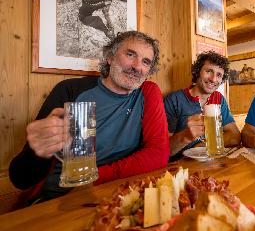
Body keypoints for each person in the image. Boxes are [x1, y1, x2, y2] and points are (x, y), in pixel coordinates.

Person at [9, 31, 170, 203]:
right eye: (130, 54)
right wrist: (37, 151)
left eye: (146, 62)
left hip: (116, 190)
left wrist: (95, 179)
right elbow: (20, 178)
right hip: (61, 197)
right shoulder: (71, 91)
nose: (137, 66)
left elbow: (158, 152)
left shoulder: (148, 92)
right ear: (110, 57)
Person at [164, 51, 241, 160]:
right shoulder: (174, 100)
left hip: (211, 163)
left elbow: (235, 136)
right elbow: (164, 150)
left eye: (219, 75)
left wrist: (203, 145)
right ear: (197, 72)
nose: (213, 79)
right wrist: (185, 137)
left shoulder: (219, 99)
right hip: (179, 166)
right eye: (209, 71)